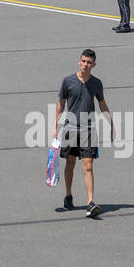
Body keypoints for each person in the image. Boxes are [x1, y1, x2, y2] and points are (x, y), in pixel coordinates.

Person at [54, 48, 114, 218]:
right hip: (70, 129)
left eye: (89, 62)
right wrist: (55, 127)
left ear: (94, 65)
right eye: (83, 61)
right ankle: (68, 195)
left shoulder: (96, 83)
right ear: (79, 62)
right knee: (70, 164)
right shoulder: (68, 81)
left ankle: (90, 202)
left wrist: (111, 124)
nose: (86, 65)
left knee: (88, 166)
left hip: (88, 130)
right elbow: (60, 105)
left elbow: (102, 104)